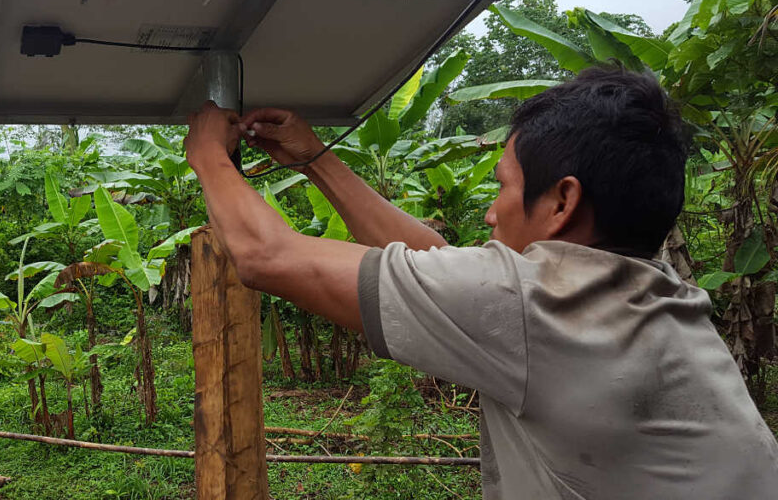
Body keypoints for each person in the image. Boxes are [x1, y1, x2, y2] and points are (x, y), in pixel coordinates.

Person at [183, 67, 778, 499]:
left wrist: (210, 154)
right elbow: (439, 261)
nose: (492, 212)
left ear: (563, 201)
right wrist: (315, 158)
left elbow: (265, 255)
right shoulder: (646, 285)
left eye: (503, 186)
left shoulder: (535, 306)